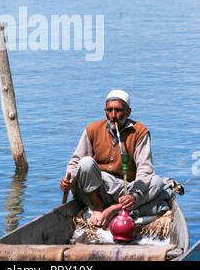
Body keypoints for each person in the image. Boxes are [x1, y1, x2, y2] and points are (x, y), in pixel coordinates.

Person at [60, 90, 164, 228]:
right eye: (109, 110)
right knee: (85, 163)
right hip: (96, 189)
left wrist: (134, 194)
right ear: (105, 111)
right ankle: (98, 206)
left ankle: (114, 209)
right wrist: (70, 179)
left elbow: (145, 168)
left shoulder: (139, 132)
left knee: (157, 182)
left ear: (128, 112)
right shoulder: (92, 129)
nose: (113, 115)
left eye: (118, 110)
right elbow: (75, 161)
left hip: (124, 190)